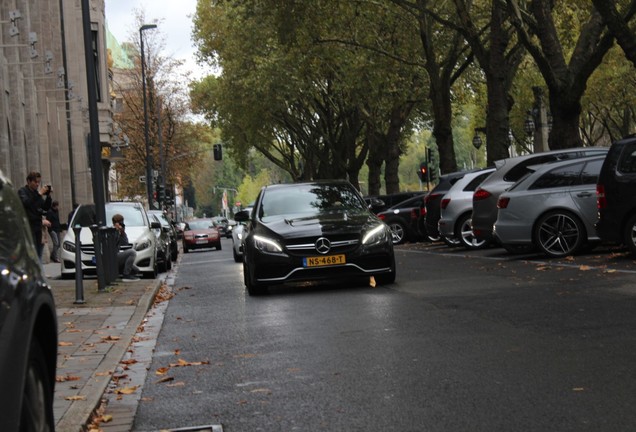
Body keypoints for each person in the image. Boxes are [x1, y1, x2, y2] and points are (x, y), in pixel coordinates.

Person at [18, 171, 52, 259]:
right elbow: (26, 203)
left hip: (37, 227)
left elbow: (45, 208)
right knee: (31, 254)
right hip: (28, 227)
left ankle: (37, 271)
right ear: (29, 181)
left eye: (38, 182)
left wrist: (48, 197)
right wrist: (39, 193)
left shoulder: (36, 194)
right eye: (35, 182)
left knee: (37, 254)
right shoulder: (22, 191)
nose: (37, 184)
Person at [112, 213, 139, 281]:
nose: (121, 224)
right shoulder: (111, 231)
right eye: (120, 223)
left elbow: (125, 243)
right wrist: (115, 231)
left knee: (136, 270)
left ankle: (118, 273)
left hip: (116, 257)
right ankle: (126, 275)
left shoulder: (120, 231)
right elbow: (112, 243)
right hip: (111, 258)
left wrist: (122, 232)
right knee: (132, 252)